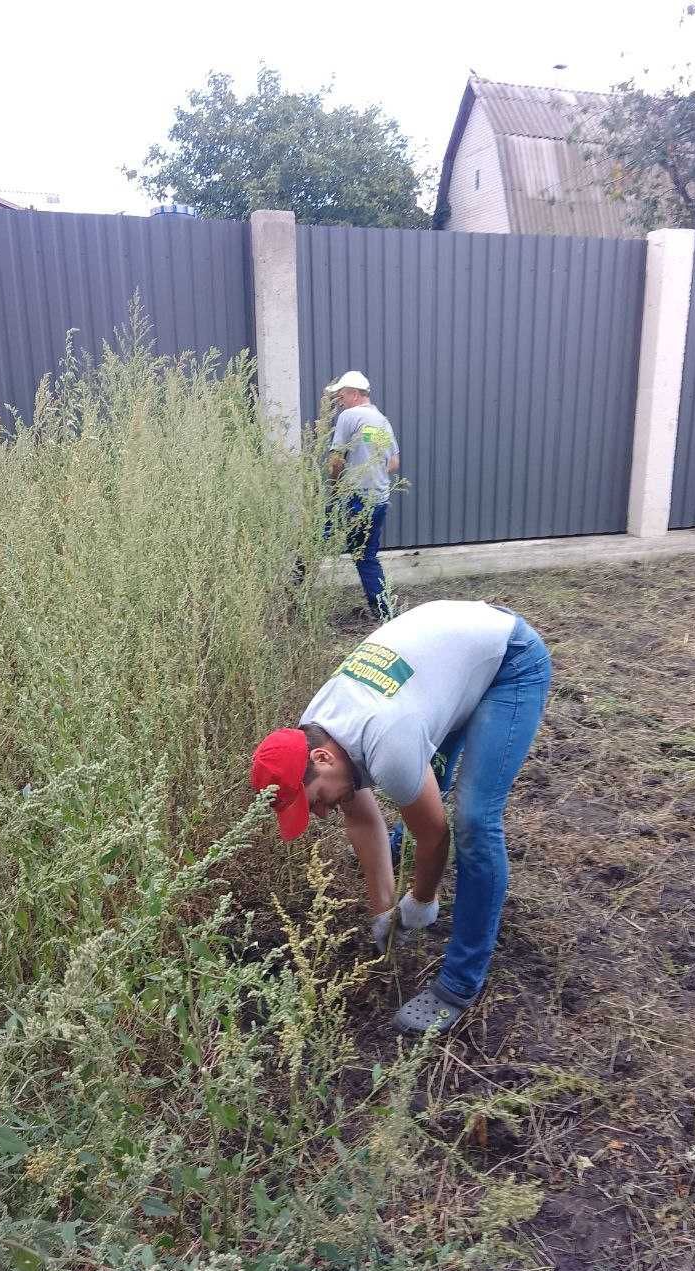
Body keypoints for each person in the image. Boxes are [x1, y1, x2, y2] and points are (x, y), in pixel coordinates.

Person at [250, 600, 552, 1035]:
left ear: (322, 757)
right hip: (445, 663)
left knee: (473, 821)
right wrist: (382, 914)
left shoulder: (387, 740)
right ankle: (399, 872)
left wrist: (420, 903)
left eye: (313, 799)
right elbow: (359, 818)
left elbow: (435, 839)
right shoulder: (314, 730)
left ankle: (459, 985)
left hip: (508, 660)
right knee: (425, 788)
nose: (317, 813)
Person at [324, 371, 400, 622]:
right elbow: (393, 463)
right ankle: (385, 613)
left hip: (353, 498)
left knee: (312, 541)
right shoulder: (380, 421)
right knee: (366, 557)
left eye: (342, 395)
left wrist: (335, 486)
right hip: (378, 499)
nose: (340, 400)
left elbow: (336, 460)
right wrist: (370, 469)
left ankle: (293, 598)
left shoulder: (350, 416)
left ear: (354, 394)